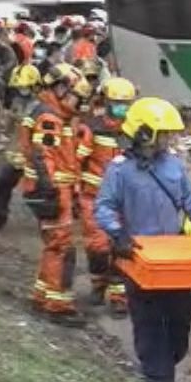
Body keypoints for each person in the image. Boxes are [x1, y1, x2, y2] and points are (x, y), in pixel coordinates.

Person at [94, 97, 191, 382]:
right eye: (163, 134)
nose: (169, 139)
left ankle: (169, 360)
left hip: (173, 254)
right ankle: (157, 376)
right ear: (143, 133)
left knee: (180, 314)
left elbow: (188, 199)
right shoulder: (120, 170)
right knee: (148, 318)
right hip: (140, 255)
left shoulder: (173, 165)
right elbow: (104, 207)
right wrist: (118, 235)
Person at [20, 63, 90, 324]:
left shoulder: (57, 116)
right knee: (61, 247)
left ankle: (42, 296)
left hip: (56, 189)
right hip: (52, 191)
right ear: (61, 89)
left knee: (54, 245)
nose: (79, 105)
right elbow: (44, 157)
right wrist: (52, 191)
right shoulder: (50, 119)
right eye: (76, 98)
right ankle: (57, 305)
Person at [78, 76, 138, 316]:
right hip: (94, 198)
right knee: (98, 247)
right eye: (117, 102)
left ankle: (119, 297)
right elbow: (77, 160)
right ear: (106, 101)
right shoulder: (93, 128)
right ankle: (97, 285)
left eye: (126, 103)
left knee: (121, 247)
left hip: (125, 201)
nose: (122, 107)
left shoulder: (135, 131)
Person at [0, 63, 42, 230]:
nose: (22, 90)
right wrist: (10, 119)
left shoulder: (42, 104)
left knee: (41, 190)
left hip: (37, 153)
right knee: (4, 180)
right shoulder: (17, 101)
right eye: (19, 87)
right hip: (20, 152)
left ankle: (52, 222)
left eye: (25, 87)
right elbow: (10, 128)